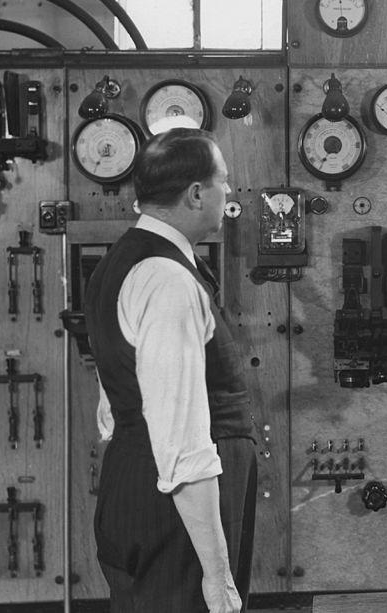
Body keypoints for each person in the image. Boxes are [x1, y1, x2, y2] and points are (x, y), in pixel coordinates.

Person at [84, 127, 257, 613]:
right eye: (224, 182)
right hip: (174, 506)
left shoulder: (120, 262)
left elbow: (114, 399)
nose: (229, 193)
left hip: (138, 481)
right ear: (196, 193)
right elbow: (181, 440)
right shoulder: (167, 280)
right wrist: (217, 573)